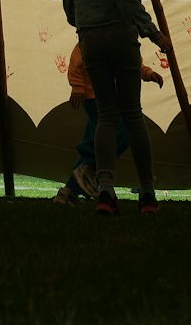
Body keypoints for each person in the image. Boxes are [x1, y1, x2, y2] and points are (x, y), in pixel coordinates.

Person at [61, 0, 171, 215]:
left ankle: (106, 191)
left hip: (91, 39)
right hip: (120, 37)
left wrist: (85, 21)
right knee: (132, 114)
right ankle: (147, 194)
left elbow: (68, 4)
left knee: (107, 116)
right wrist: (152, 32)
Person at [51, 40, 163, 206]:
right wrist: (77, 85)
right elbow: (77, 59)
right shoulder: (95, 30)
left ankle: (69, 191)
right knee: (121, 131)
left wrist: (147, 73)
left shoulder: (126, 36)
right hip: (93, 95)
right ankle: (89, 167)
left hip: (114, 96)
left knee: (96, 138)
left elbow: (131, 63)